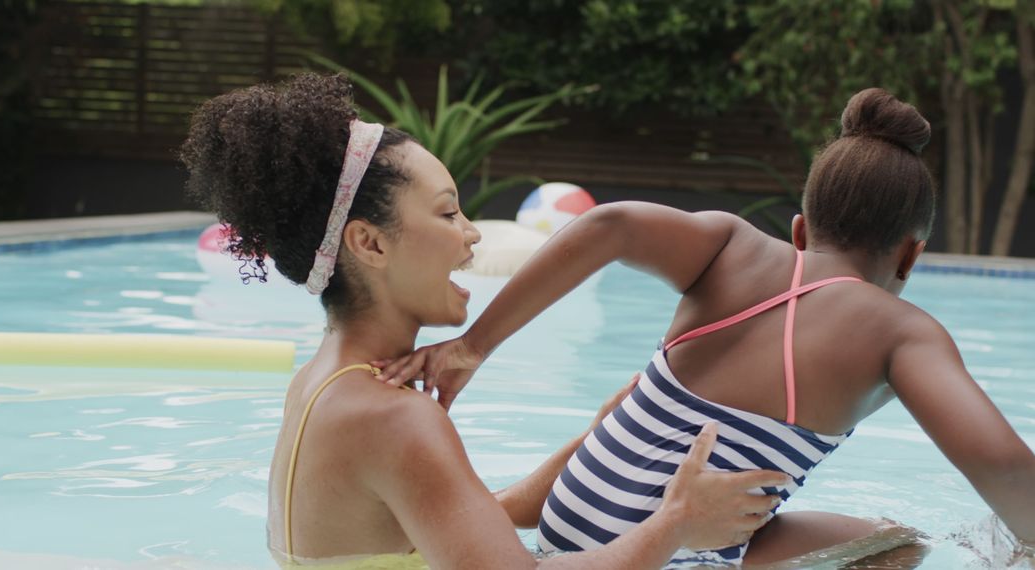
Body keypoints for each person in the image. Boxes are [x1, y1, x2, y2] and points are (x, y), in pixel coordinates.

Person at [375, 88, 1035, 565]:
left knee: (867, 533)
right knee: (900, 552)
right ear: (912, 255)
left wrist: (471, 345)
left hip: (565, 526)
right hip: (662, 553)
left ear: (801, 229)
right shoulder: (901, 334)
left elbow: (608, 225)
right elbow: (1004, 464)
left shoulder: (728, 245)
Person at [180, 73, 791, 569]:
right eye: (448, 214)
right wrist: (678, 523)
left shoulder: (321, 385)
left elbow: (462, 525)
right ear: (368, 244)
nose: (471, 235)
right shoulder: (394, 417)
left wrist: (596, 440)